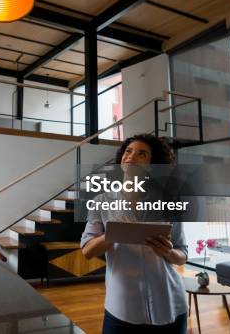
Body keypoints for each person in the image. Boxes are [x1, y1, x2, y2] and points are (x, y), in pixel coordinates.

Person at [81, 133, 188, 333]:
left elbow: (182, 256)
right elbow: (87, 250)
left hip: (170, 306)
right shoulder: (100, 202)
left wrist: (168, 252)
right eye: (128, 151)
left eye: (142, 154)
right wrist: (113, 234)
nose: (131, 156)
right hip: (122, 310)